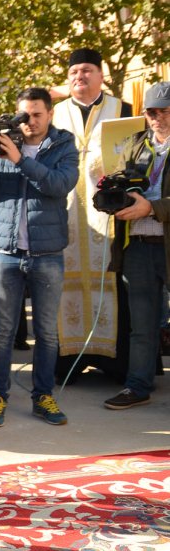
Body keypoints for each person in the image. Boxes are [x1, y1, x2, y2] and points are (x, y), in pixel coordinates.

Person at [0, 88, 78, 427]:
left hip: (47, 253)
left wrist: (22, 160)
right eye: (25, 115)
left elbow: (60, 185)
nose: (30, 121)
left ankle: (43, 396)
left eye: (36, 114)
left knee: (47, 332)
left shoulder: (63, 145)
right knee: (2, 331)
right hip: (4, 253)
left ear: (49, 114)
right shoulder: (4, 144)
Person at [51, 48, 131, 381]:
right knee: (64, 287)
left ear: (100, 75)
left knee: (111, 285)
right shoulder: (55, 113)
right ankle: (68, 361)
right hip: (66, 214)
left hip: (109, 216)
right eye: (73, 72)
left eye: (86, 70)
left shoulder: (122, 109)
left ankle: (115, 364)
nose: (79, 77)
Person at [104, 82, 170, 409]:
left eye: (163, 111)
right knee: (141, 326)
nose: (156, 118)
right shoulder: (134, 144)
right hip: (139, 246)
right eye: (151, 112)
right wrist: (111, 197)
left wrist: (153, 208)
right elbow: (119, 183)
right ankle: (137, 386)